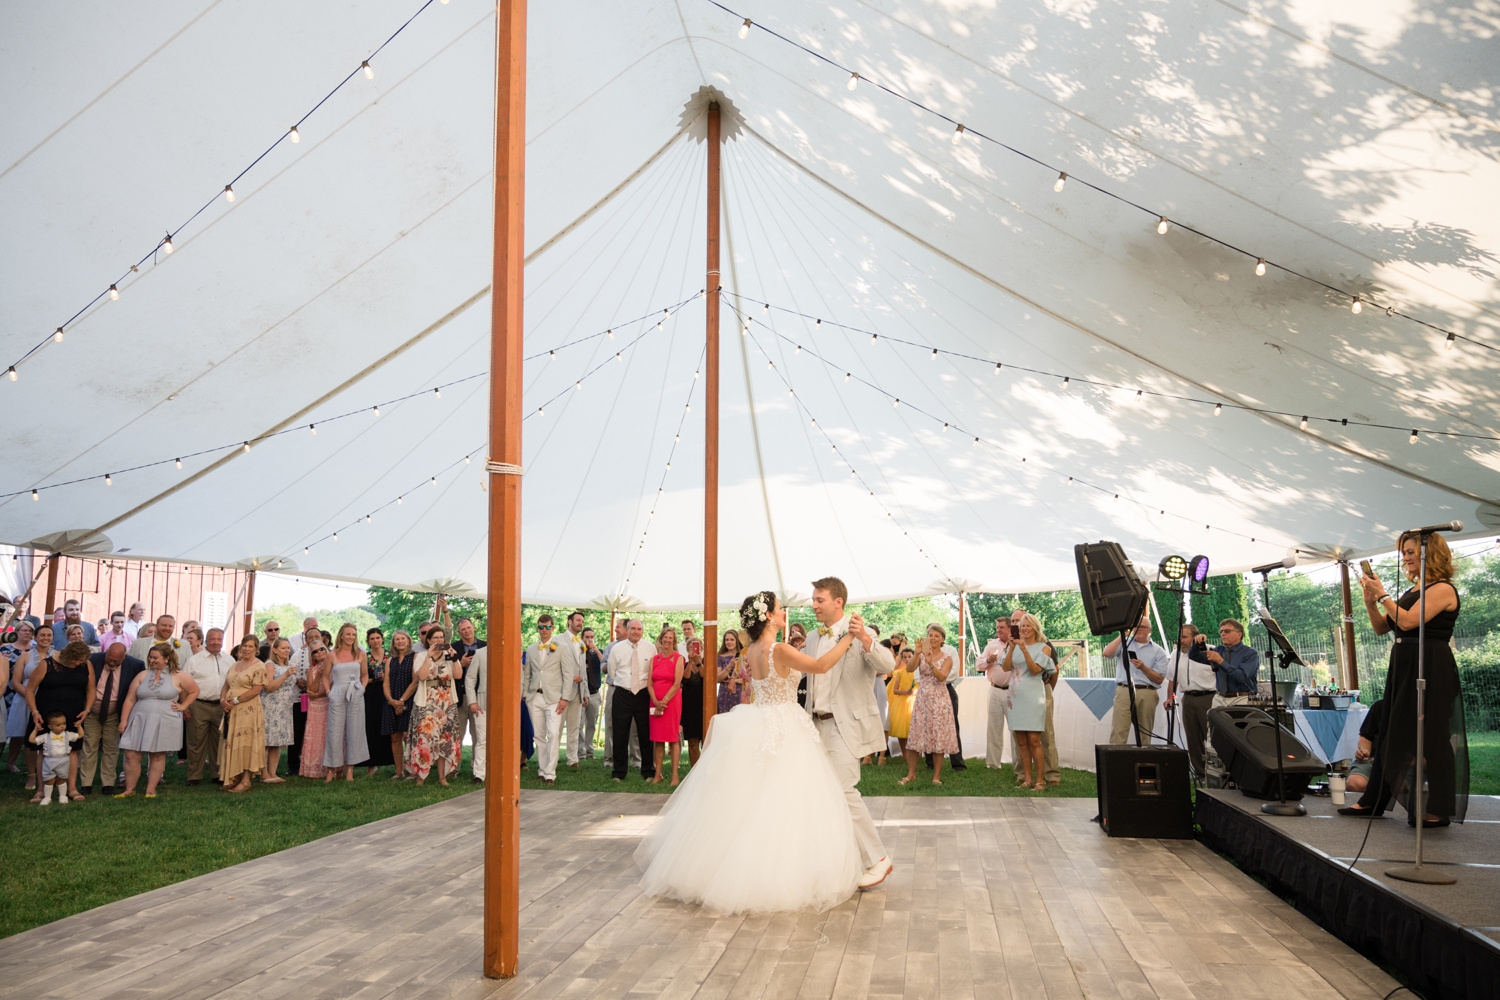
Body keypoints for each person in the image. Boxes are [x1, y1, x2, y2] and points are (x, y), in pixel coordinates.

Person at [635, 590, 868, 913]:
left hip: (761, 720)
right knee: (787, 799)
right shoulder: (779, 649)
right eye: (778, 608)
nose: (784, 612)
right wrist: (847, 639)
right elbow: (821, 666)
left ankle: (727, 867)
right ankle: (783, 871)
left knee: (753, 796)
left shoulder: (752, 651)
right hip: (785, 724)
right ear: (769, 616)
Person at [1344, 532, 1468, 826]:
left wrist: (1384, 594)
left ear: (1431, 554)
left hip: (1430, 667)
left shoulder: (1442, 589)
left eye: (1411, 552)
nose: (1406, 557)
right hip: (1403, 667)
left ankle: (1438, 809)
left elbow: (1410, 621)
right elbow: (1381, 628)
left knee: (1433, 738)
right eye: (1404, 553)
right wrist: (1371, 601)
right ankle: (1372, 799)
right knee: (1390, 731)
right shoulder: (1413, 591)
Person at [803, 577, 896, 889]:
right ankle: (836, 862)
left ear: (838, 602)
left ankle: (878, 860)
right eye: (813, 600)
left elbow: (888, 662)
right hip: (815, 724)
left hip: (845, 724)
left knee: (844, 791)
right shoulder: (814, 639)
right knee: (823, 795)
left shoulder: (859, 631)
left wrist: (867, 640)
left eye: (819, 600)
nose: (813, 605)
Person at [117, 643, 199, 797]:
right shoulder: (142, 675)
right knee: (131, 754)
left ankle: (151, 789)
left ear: (167, 658)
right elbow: (129, 699)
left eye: (155, 657)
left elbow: (194, 691)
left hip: (165, 719)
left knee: (157, 755)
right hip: (139, 718)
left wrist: (183, 706)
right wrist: (123, 720)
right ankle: (129, 789)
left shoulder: (179, 675)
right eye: (150, 656)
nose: (151, 660)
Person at [26, 640, 95, 802]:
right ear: (66, 655)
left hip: (74, 713)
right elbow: (29, 689)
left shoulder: (86, 666)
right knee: (45, 749)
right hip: (47, 713)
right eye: (75, 660)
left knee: (72, 750)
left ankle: (71, 788)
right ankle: (41, 790)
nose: (78, 663)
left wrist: (87, 709)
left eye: (81, 660)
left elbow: (91, 690)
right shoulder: (47, 664)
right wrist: (34, 711)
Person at [80, 640, 144, 794]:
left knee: (111, 747)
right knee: (89, 745)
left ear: (124, 657)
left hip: (115, 711)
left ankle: (108, 784)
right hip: (92, 711)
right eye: (109, 659)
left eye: (116, 661)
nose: (111, 662)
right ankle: (86, 784)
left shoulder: (135, 666)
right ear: (106, 652)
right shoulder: (94, 660)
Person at [1002, 614, 1057, 790]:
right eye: (1021, 625)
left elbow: (1034, 670)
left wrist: (1024, 649)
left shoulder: (1044, 648)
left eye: (1028, 626)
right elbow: (1005, 667)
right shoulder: (1013, 646)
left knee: (1034, 740)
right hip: (1015, 697)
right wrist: (1011, 648)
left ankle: (1040, 781)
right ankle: (1027, 779)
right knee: (1021, 741)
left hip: (1033, 697)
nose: (1024, 628)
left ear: (1035, 628)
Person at [902, 624, 960, 786]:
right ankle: (911, 774)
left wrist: (931, 663)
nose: (933, 638)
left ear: (942, 639)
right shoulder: (920, 655)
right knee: (916, 734)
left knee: (937, 737)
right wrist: (918, 654)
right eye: (930, 635)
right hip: (922, 699)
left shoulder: (947, 657)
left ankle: (936, 776)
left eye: (936, 636)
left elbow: (942, 678)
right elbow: (909, 668)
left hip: (940, 700)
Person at [405, 625, 462, 785]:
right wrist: (429, 656)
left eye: (441, 637)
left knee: (443, 740)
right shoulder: (421, 656)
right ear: (428, 640)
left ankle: (442, 777)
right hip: (427, 703)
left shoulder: (449, 656)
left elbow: (457, 676)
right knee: (424, 739)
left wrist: (455, 658)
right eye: (435, 638)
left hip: (446, 703)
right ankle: (421, 776)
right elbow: (422, 677)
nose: (439, 640)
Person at [1103, 617, 1168, 746]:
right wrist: (1123, 635)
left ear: (1150, 630)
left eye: (1142, 627)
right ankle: (1117, 764)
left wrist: (1143, 668)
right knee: (1118, 731)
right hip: (1124, 690)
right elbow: (1107, 653)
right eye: (1135, 627)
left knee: (1145, 734)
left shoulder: (1158, 651)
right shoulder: (1124, 643)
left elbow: (1159, 679)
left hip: (1147, 692)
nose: (1138, 629)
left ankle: (1144, 763)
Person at [525, 615, 574, 786]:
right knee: (538, 735)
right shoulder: (531, 648)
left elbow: (568, 675)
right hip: (534, 697)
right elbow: (527, 674)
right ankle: (542, 769)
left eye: (547, 627)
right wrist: (526, 694)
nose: (544, 630)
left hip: (554, 698)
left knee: (553, 733)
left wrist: (565, 698)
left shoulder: (563, 647)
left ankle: (550, 773)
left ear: (553, 628)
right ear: (537, 628)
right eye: (541, 627)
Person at [1163, 624, 1215, 778]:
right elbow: (1173, 679)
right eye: (1179, 637)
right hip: (1188, 698)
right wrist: (1170, 697)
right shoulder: (1175, 654)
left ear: (1195, 637)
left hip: (1208, 697)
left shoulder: (1210, 650)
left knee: (1210, 736)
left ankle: (1216, 773)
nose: (1181, 641)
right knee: (1192, 737)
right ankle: (1200, 773)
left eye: (1184, 637)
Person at [607, 619, 656, 782]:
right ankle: (619, 772)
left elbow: (653, 672)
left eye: (639, 629)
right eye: (633, 629)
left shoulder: (650, 648)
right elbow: (612, 672)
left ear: (643, 630)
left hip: (643, 694)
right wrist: (624, 686)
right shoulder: (617, 648)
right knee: (620, 733)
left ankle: (648, 771)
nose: (636, 632)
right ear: (627, 630)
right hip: (622, 694)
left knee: (645, 734)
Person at [182, 628, 231, 785]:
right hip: (198, 705)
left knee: (219, 741)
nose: (216, 642)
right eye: (212, 639)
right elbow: (183, 685)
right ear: (205, 640)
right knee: (196, 742)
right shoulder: (194, 660)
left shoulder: (230, 660)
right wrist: (185, 706)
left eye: (219, 639)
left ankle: (217, 774)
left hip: (221, 706)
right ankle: (194, 776)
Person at [322, 623, 370, 782]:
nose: (351, 637)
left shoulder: (361, 654)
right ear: (341, 635)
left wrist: (362, 688)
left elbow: (364, 675)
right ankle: (331, 769)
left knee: (354, 730)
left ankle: (350, 769)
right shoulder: (331, 654)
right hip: (337, 693)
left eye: (354, 634)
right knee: (334, 731)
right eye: (348, 634)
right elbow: (324, 676)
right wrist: (329, 692)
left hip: (355, 693)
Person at [218, 636, 267, 793]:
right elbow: (226, 684)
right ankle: (235, 777)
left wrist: (236, 700)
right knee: (231, 739)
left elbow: (256, 689)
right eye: (244, 646)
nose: (246, 649)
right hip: (231, 709)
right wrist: (222, 700)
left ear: (256, 649)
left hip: (248, 709)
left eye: (250, 646)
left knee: (246, 741)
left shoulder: (259, 666)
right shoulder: (235, 665)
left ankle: (246, 780)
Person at [6, 622, 46, 787]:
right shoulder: (22, 654)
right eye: (25, 630)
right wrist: (30, 697)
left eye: (31, 631)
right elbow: (15, 682)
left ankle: (44, 770)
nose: (28, 633)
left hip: (46, 698)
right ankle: (12, 762)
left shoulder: (55, 654)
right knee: (20, 732)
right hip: (23, 696)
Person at [649, 626, 685, 785]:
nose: (667, 640)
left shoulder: (679, 658)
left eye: (670, 638)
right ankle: (658, 774)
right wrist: (656, 702)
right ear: (661, 639)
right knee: (657, 739)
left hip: (671, 702)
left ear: (674, 641)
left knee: (672, 738)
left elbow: (677, 683)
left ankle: (675, 776)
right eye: (665, 637)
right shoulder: (654, 660)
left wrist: (663, 701)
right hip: (654, 702)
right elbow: (649, 683)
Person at [978, 616, 1014, 770]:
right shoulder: (992, 645)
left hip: (1013, 692)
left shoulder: (1017, 645)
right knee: (994, 728)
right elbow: (978, 665)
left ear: (1009, 629)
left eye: (1002, 627)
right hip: (994, 689)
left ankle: (1018, 763)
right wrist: (988, 660)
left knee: (1016, 729)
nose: (998, 630)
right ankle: (993, 764)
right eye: (997, 627)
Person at [260, 638, 297, 782]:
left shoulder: (288, 665)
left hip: (284, 707)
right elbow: (268, 687)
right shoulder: (270, 665)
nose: (287, 650)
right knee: (267, 741)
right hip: (270, 706)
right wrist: (285, 675)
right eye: (283, 648)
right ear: (275, 650)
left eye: (288, 648)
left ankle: (272, 772)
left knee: (277, 742)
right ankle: (263, 774)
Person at [383, 629, 417, 779]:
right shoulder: (390, 660)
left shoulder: (415, 657)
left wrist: (402, 701)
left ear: (409, 641)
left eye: (403, 638)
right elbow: (386, 683)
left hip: (409, 700)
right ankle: (399, 772)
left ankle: (412, 770)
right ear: (394, 643)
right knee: (395, 737)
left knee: (407, 736)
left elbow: (415, 681)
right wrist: (391, 700)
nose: (400, 641)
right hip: (392, 701)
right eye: (397, 639)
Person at [556, 612, 586, 771]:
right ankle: (552, 759)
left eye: (582, 621)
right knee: (557, 727)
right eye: (578, 620)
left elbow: (584, 670)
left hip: (578, 691)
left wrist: (585, 691)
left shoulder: (581, 643)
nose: (580, 623)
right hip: (562, 691)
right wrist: (568, 676)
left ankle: (572, 759)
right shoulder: (557, 640)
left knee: (575, 727)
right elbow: (552, 666)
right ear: (570, 622)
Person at [1207, 619, 1260, 708]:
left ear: (1239, 634)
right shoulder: (1219, 650)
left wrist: (1221, 661)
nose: (1223, 634)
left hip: (1241, 698)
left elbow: (1241, 677)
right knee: (1213, 722)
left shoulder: (1250, 653)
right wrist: (1197, 643)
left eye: (1227, 631)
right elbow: (1196, 657)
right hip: (1219, 698)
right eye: (1221, 631)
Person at [30, 713, 80, 805]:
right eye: (58, 725)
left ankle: (63, 796)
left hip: (63, 760)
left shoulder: (67, 735)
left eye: (64, 723)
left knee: (62, 779)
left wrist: (79, 726)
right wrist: (35, 730)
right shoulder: (45, 736)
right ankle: (47, 797)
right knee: (49, 780)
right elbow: (32, 740)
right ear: (50, 726)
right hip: (49, 761)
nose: (62, 726)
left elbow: (80, 735)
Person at [362, 628, 393, 775]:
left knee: (388, 728)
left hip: (387, 693)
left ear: (382, 639)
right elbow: (360, 678)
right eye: (372, 638)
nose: (375, 641)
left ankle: (391, 760)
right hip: (370, 694)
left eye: (377, 638)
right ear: (368, 641)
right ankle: (372, 763)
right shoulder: (364, 657)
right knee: (371, 728)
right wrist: (374, 679)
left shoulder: (390, 655)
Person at [299, 643, 332, 779]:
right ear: (312, 655)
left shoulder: (334, 667)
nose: (319, 653)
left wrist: (319, 694)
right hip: (315, 707)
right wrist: (318, 675)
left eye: (321, 649)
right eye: (315, 652)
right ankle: (315, 769)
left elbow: (333, 687)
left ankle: (332, 767)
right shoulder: (310, 670)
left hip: (330, 704)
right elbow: (311, 691)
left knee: (329, 735)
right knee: (316, 736)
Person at [576, 627, 604, 761]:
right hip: (580, 693)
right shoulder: (578, 652)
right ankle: (580, 752)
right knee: (579, 723)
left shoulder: (597, 652)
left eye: (591, 637)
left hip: (595, 693)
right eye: (586, 637)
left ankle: (590, 751)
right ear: (582, 638)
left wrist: (596, 649)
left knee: (592, 723)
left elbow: (605, 663)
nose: (589, 639)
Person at [678, 630, 704, 767]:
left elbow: (705, 677)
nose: (694, 649)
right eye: (691, 647)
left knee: (706, 740)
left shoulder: (706, 662)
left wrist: (699, 663)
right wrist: (690, 663)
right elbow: (685, 679)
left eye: (697, 646)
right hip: (688, 705)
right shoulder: (684, 663)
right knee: (692, 741)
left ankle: (706, 769)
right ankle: (694, 770)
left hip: (704, 705)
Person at [885, 648, 918, 759]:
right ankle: (905, 755)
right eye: (905, 657)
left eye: (910, 656)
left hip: (914, 702)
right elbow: (895, 690)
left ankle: (918, 755)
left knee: (914, 730)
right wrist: (905, 692)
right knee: (901, 731)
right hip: (901, 702)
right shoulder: (899, 673)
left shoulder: (918, 672)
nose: (907, 659)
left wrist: (914, 692)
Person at [1345, 699, 1383, 795]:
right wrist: (1364, 751)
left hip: (1405, 763)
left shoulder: (1420, 708)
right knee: (1354, 784)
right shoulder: (1380, 706)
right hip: (1374, 758)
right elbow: (1366, 737)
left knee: (1397, 787)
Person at [466, 642, 489, 782]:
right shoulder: (480, 653)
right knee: (482, 739)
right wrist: (472, 701)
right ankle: (479, 774)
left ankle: (501, 770)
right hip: (482, 702)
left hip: (507, 704)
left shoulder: (511, 650)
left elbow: (520, 677)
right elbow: (470, 679)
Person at [715, 630, 745, 714]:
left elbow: (750, 678)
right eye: (726, 640)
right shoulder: (720, 657)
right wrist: (729, 666)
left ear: (737, 641)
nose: (729, 642)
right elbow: (717, 679)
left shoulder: (744, 655)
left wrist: (733, 680)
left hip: (740, 693)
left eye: (732, 639)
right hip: (724, 693)